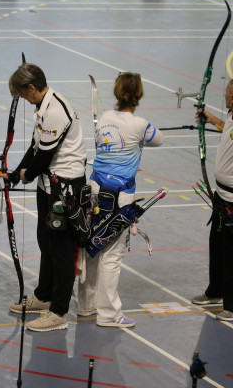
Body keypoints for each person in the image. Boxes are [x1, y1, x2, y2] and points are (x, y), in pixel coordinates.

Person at [4, 63, 87, 332]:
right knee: (46, 240)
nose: (24, 99)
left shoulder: (55, 111)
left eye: (23, 94)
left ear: (32, 87)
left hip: (65, 187)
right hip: (48, 184)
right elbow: (35, 147)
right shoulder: (43, 107)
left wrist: (26, 175)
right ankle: (44, 296)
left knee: (61, 248)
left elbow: (43, 157)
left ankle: (59, 311)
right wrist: (15, 174)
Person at [77, 72, 164, 328]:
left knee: (92, 244)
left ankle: (86, 306)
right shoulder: (140, 124)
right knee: (112, 255)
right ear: (139, 95)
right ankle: (108, 314)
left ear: (117, 93)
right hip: (120, 195)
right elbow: (159, 139)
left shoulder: (105, 117)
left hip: (95, 187)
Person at [191, 79, 233, 321]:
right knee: (216, 246)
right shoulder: (231, 115)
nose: (225, 97)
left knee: (231, 252)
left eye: (228, 94)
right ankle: (215, 291)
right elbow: (229, 130)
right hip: (221, 196)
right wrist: (212, 119)